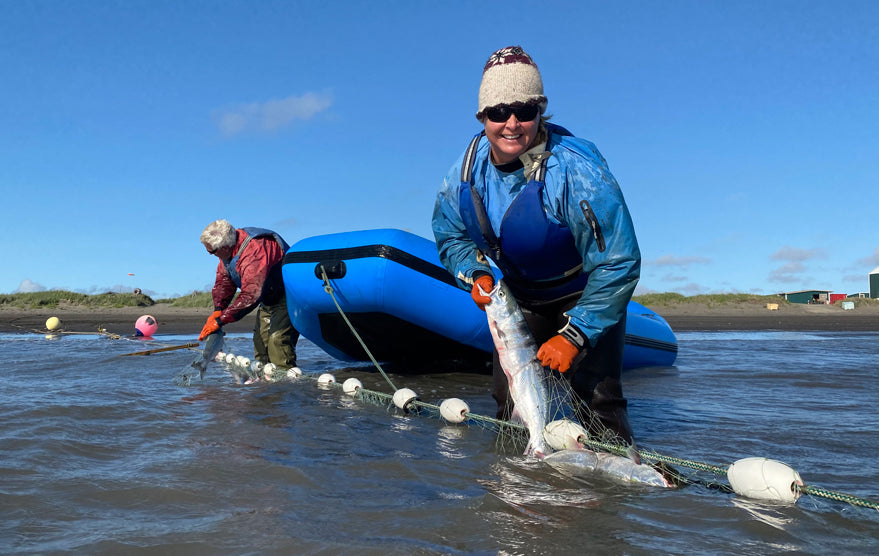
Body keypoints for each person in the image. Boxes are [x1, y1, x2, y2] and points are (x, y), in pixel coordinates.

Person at [432, 46, 641, 447]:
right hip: (518, 300)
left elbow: (618, 262)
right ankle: (518, 492)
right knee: (508, 403)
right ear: (482, 117)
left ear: (540, 111)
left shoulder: (578, 171)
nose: (511, 124)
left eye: (525, 110)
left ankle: (613, 497)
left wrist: (576, 335)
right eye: (498, 112)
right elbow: (451, 236)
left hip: (585, 297)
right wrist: (474, 272)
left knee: (600, 405)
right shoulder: (463, 172)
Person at [199, 219, 299, 370]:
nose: (209, 254)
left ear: (225, 247)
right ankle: (264, 381)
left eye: (212, 251)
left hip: (288, 294)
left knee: (277, 340)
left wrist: (220, 321)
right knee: (260, 341)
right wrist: (218, 309)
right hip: (267, 297)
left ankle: (284, 383)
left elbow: (251, 294)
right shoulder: (227, 253)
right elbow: (224, 281)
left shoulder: (255, 249)